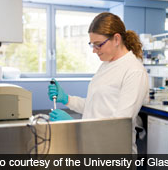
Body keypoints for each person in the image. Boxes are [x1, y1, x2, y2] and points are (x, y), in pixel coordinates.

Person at [48, 12, 149, 154]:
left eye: (98, 45)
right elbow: (95, 107)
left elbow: (118, 124)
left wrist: (75, 126)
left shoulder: (134, 71)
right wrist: (67, 99)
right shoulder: (107, 64)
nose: (94, 51)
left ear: (116, 39)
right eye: (92, 45)